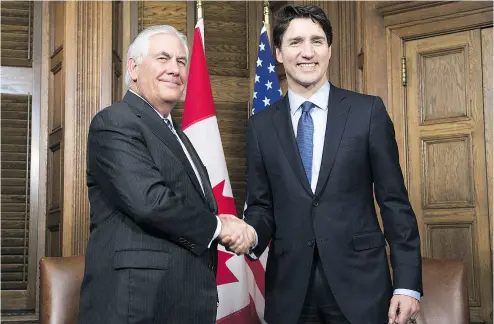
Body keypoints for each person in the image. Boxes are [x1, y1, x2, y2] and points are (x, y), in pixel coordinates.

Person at [238, 4, 422, 324]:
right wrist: (250, 234)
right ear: (279, 53)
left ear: (329, 50)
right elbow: (261, 207)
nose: (307, 52)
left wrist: (407, 285)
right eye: (295, 43)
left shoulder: (368, 112)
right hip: (290, 293)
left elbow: (395, 204)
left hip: (362, 288)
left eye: (317, 41)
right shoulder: (260, 126)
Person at [78, 25, 252, 324]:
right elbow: (149, 201)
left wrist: (221, 222)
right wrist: (218, 228)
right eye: (163, 58)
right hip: (139, 304)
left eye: (181, 61)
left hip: (184, 299)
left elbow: (187, 204)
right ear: (133, 68)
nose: (174, 69)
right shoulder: (115, 122)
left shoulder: (176, 134)